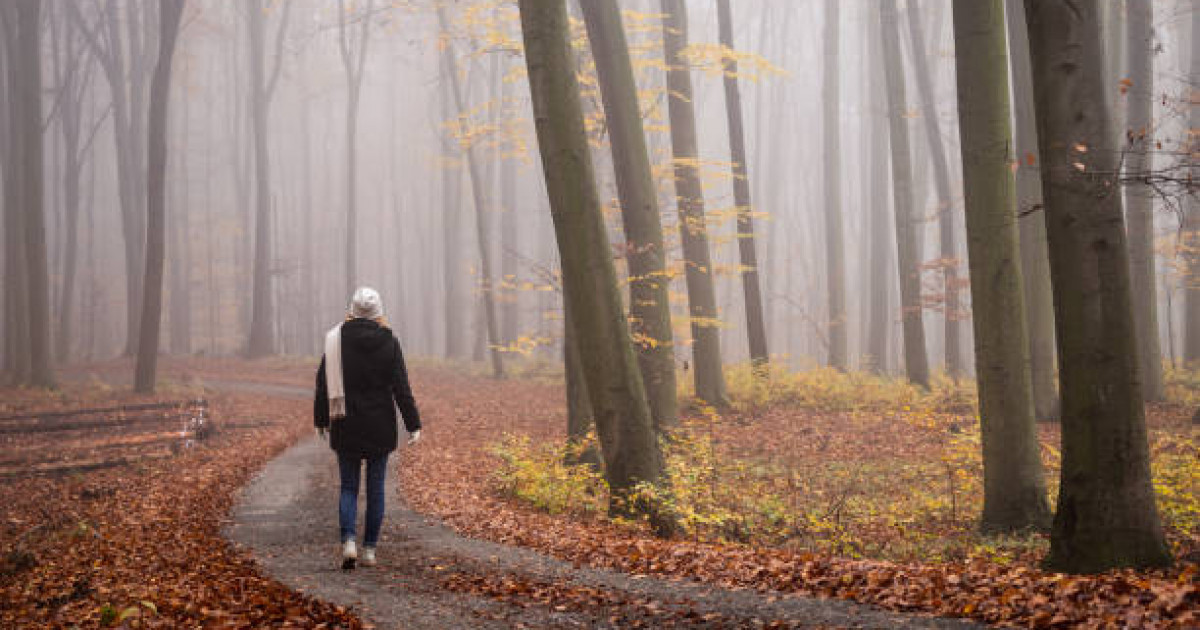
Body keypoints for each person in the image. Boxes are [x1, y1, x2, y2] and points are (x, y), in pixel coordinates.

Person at [314, 286, 422, 570]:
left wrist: (321, 419)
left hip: (346, 422)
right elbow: (401, 387)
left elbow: (323, 382)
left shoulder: (335, 341)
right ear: (378, 312)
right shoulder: (390, 342)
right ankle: (370, 549)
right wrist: (413, 424)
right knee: (376, 490)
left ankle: (349, 541)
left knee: (348, 487)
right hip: (379, 426)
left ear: (352, 309)